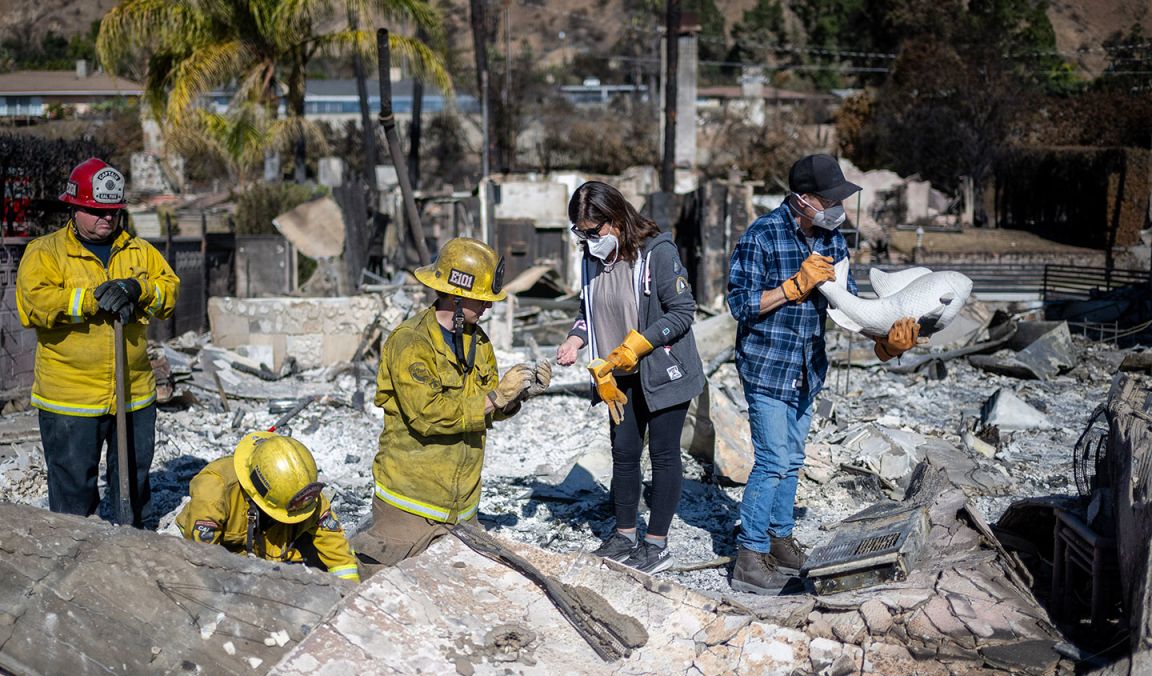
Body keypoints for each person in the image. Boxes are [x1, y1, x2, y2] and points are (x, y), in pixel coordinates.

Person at [726, 153, 920, 595]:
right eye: (829, 200)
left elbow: (850, 314)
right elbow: (739, 304)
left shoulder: (833, 243)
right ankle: (749, 556)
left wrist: (889, 343)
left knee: (792, 461)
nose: (839, 209)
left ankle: (778, 539)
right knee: (773, 460)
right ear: (802, 199)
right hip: (768, 366)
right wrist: (793, 287)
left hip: (807, 369)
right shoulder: (762, 236)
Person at [352, 237, 553, 578]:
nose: (488, 307)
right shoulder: (410, 343)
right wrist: (494, 399)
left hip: (462, 509)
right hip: (410, 508)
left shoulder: (477, 341)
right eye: (481, 300)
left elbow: (489, 407)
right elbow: (428, 416)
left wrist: (518, 395)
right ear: (457, 295)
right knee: (391, 596)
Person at [16, 158, 179, 529]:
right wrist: (90, 300)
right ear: (73, 208)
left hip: (132, 394)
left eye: (113, 211)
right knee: (73, 495)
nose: (106, 219)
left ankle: (134, 545)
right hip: (70, 399)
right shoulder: (45, 253)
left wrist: (140, 289)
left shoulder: (139, 251)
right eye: (95, 211)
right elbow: (34, 304)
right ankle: (77, 557)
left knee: (134, 485)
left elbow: (169, 293)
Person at [556, 181, 705, 574]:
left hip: (662, 370)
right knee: (623, 454)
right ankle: (624, 535)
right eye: (581, 232)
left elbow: (682, 311)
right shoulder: (590, 259)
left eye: (594, 231)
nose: (588, 239)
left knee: (663, 453)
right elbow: (586, 311)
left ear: (617, 220)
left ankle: (656, 544)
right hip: (616, 374)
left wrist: (639, 344)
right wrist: (575, 339)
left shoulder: (657, 253)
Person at [175, 432, 360, 582]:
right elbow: (203, 559)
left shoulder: (303, 494)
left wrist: (351, 593)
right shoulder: (215, 490)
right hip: (222, 551)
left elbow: (338, 553)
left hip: (271, 552)